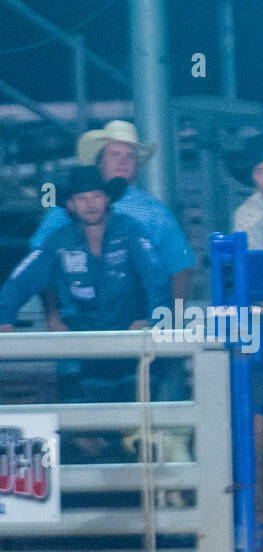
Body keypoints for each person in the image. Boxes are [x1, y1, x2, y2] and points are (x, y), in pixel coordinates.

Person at [0, 167, 170, 404]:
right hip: (87, 348)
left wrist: (151, 320)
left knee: (138, 420)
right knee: (87, 422)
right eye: (82, 198)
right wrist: (4, 319)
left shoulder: (130, 229)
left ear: (107, 198)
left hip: (133, 342)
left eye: (97, 196)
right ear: (71, 204)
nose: (91, 204)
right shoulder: (58, 242)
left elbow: (157, 278)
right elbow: (20, 280)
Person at [29, 120, 194, 301]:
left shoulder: (155, 211)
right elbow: (40, 259)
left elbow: (180, 268)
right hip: (78, 317)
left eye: (130, 156)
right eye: (115, 154)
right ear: (99, 161)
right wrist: (53, 317)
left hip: (141, 319)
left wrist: (173, 321)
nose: (123, 161)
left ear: (137, 165)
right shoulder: (67, 206)